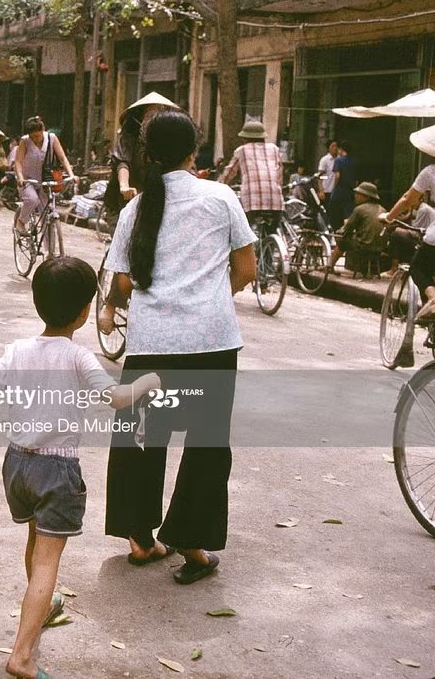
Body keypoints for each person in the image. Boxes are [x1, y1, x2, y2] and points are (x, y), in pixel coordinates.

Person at [0, 256, 160, 679]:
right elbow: (117, 399)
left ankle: (44, 605)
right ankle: (22, 655)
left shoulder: (18, 351)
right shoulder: (78, 358)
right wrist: (148, 382)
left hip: (16, 466)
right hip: (56, 472)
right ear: (85, 312)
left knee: (35, 542)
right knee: (49, 563)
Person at [98, 109, 256, 585]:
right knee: (206, 442)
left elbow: (123, 282)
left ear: (146, 156)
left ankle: (141, 540)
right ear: (195, 151)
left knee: (141, 440)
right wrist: (208, 301)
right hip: (211, 341)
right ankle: (191, 539)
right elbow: (246, 271)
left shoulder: (135, 209)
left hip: (152, 344)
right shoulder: (221, 197)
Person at [382, 128, 435, 322]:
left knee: (418, 268)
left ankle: (434, 300)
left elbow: (408, 198)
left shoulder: (432, 171)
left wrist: (389, 217)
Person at [104, 93, 181, 233]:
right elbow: (123, 163)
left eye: (159, 113)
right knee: (121, 244)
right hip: (123, 201)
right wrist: (124, 187)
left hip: (151, 200)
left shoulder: (165, 143)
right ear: (142, 116)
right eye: (150, 113)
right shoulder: (127, 138)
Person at [220, 119, 284, 237]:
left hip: (252, 200)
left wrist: (219, 186)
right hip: (275, 199)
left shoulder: (241, 150)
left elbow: (229, 173)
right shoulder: (274, 149)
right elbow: (279, 171)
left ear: (245, 138)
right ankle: (271, 247)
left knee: (246, 232)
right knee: (271, 233)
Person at [14, 117, 74, 235]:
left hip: (46, 180)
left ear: (43, 130)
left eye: (37, 136)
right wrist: (20, 177)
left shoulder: (52, 139)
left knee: (47, 213)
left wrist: (72, 175)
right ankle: (20, 223)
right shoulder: (25, 141)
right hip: (27, 179)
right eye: (32, 137)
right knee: (32, 199)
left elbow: (62, 158)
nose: (35, 140)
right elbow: (18, 162)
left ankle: (50, 252)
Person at [328, 181, 384, 276]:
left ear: (366, 197)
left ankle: (329, 266)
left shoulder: (360, 209)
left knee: (342, 240)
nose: (355, 196)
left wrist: (338, 233)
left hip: (364, 246)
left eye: (358, 194)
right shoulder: (382, 209)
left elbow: (347, 229)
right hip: (380, 248)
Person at [328, 141, 356, 230]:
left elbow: (337, 175)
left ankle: (335, 232)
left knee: (335, 213)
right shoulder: (353, 161)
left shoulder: (339, 160)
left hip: (339, 190)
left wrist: (334, 186)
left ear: (341, 149)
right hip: (350, 190)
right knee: (347, 214)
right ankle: (346, 231)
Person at [317, 138, 339, 203]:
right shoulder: (325, 160)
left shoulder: (340, 159)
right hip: (327, 190)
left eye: (336, 146)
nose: (335, 148)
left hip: (337, 191)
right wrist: (321, 191)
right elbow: (320, 176)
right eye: (333, 146)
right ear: (328, 148)